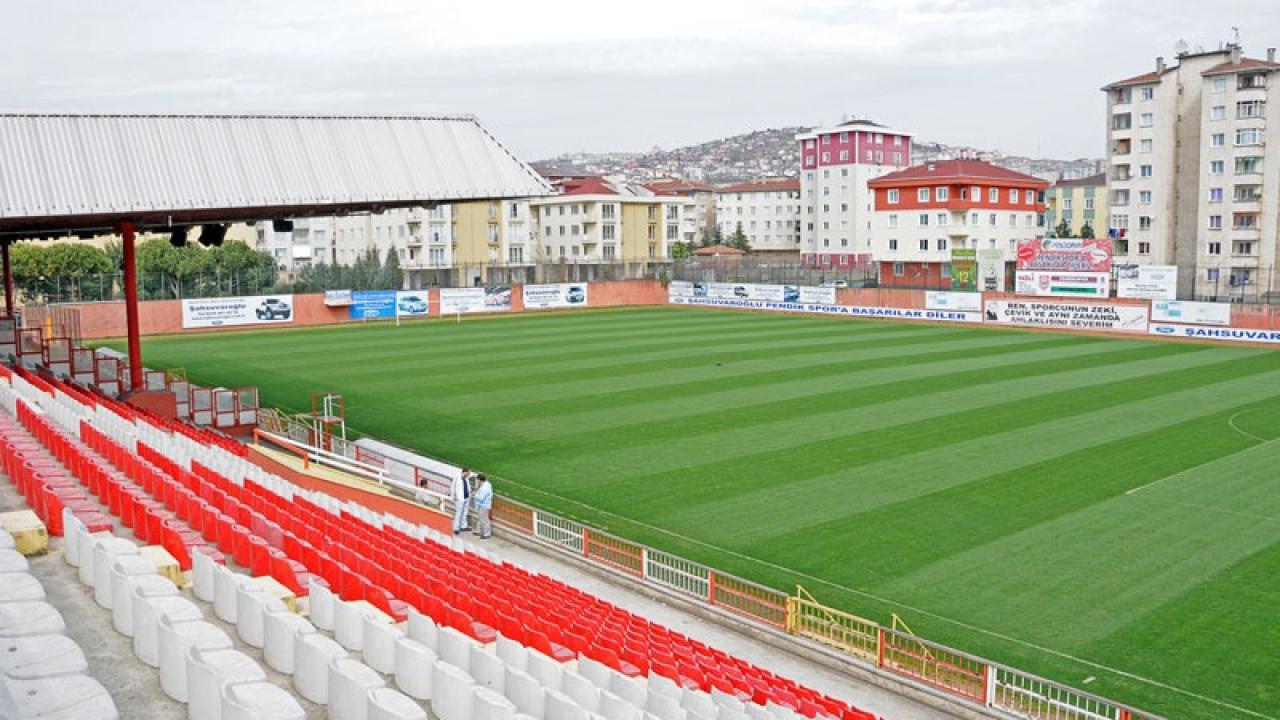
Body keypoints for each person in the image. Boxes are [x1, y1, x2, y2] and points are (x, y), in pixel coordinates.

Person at [472, 474, 493, 539]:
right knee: (480, 518)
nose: (476, 481)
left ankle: (487, 533)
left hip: (484, 505)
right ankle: (478, 531)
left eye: (477, 479)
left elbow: (481, 498)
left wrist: (474, 495)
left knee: (484, 519)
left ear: (480, 480)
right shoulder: (485, 485)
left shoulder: (485, 488)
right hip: (483, 505)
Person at [451, 468, 472, 534]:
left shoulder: (466, 478)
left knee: (465, 512)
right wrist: (453, 497)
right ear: (464, 472)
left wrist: (470, 493)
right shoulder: (457, 477)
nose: (469, 475)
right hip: (460, 499)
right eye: (468, 473)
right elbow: (453, 487)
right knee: (458, 513)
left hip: (466, 498)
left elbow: (468, 487)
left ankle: (463, 526)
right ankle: (456, 528)